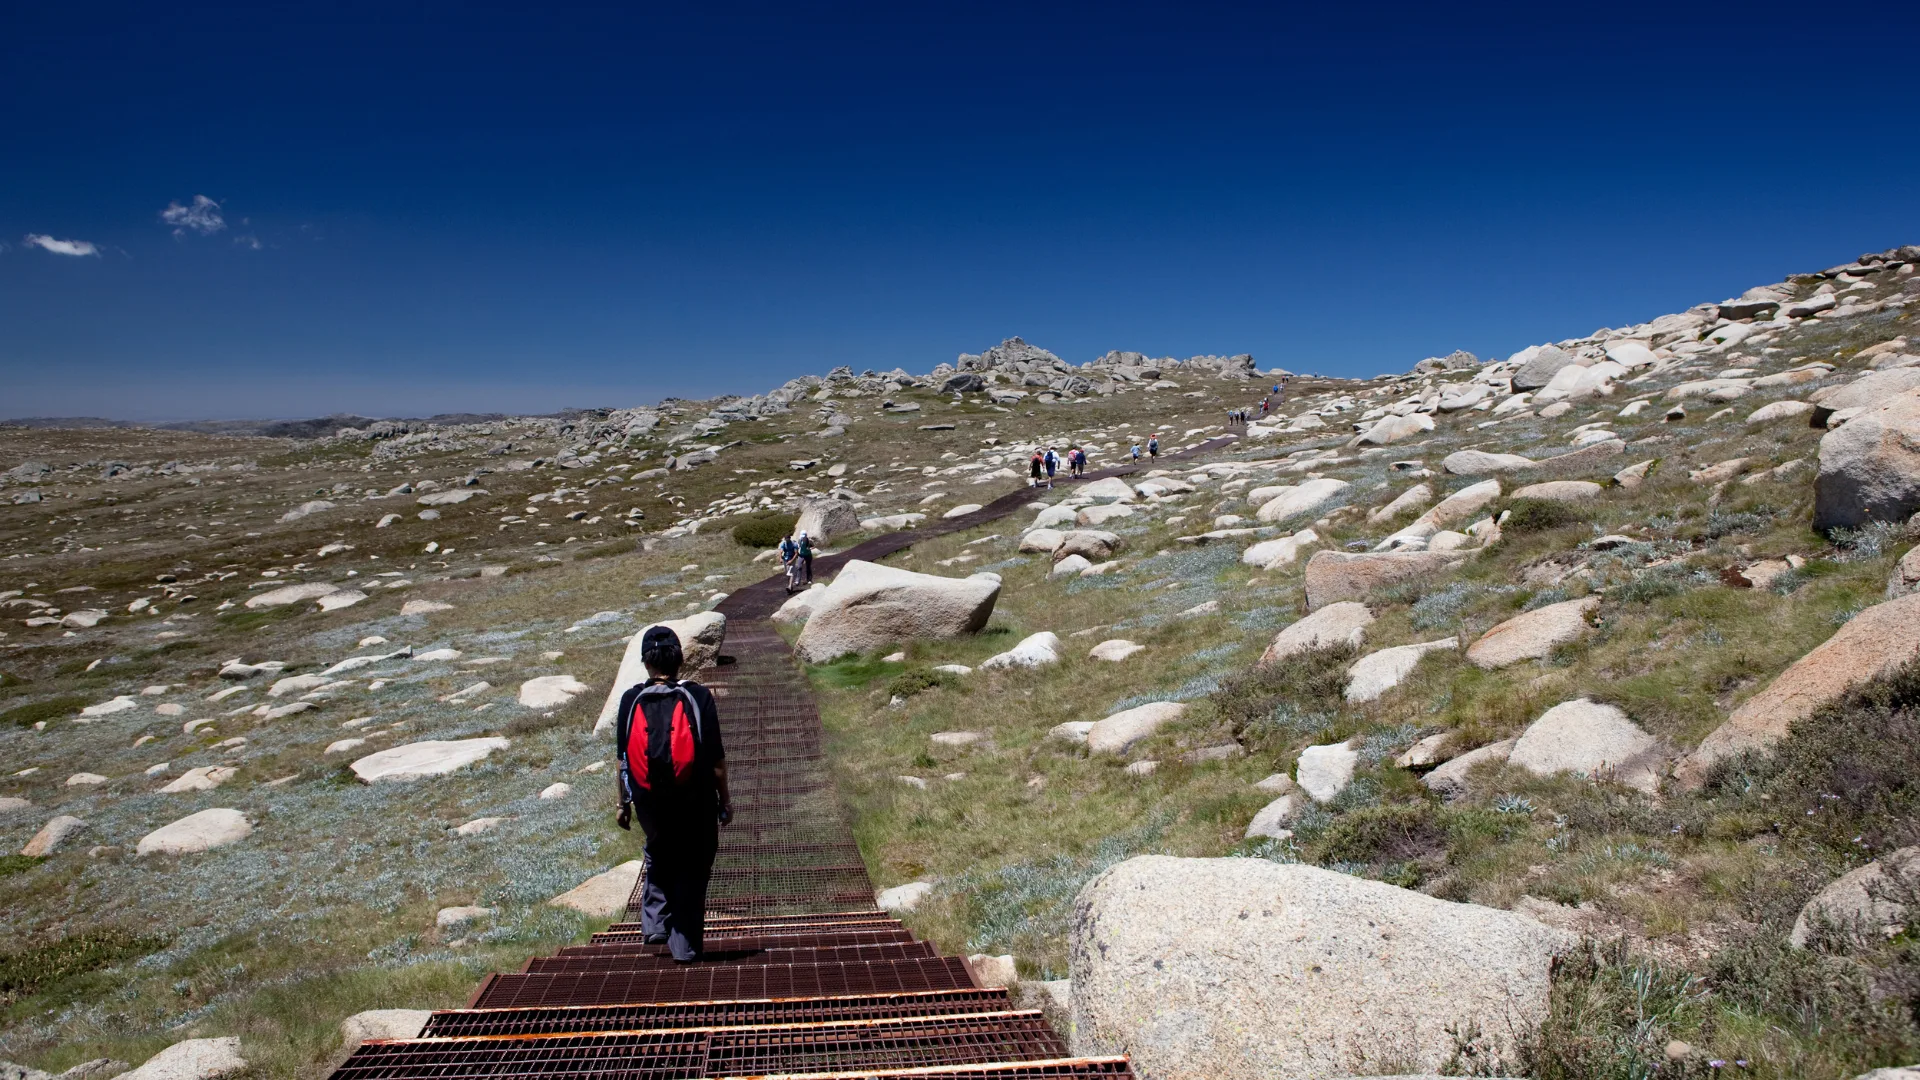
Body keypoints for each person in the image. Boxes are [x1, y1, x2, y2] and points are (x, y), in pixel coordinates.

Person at [614, 626, 731, 962]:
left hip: (649, 799)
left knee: (659, 848)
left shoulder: (630, 699)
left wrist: (622, 804)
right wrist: (725, 800)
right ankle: (684, 947)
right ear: (680, 659)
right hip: (695, 799)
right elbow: (715, 759)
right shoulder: (698, 696)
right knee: (694, 864)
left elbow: (622, 761)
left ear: (645, 662)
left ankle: (654, 923)